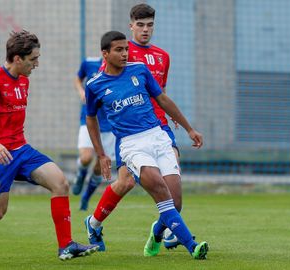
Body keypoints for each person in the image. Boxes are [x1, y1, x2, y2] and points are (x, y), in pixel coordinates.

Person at [0, 30, 98, 266]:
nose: (37, 64)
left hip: (21, 149)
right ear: (17, 58)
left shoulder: (24, 80)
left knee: (60, 183)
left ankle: (66, 246)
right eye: (33, 59)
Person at [85, 30, 208, 260]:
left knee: (176, 202)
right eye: (119, 50)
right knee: (156, 190)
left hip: (158, 136)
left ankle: (157, 231)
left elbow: (162, 99)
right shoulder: (95, 85)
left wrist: (189, 128)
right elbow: (90, 118)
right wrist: (101, 154)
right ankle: (193, 245)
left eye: (126, 49)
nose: (125, 54)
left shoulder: (139, 70)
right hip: (132, 145)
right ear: (105, 54)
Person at [72, 57, 115, 211]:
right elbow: (78, 79)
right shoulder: (89, 63)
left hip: (109, 126)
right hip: (89, 119)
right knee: (86, 157)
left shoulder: (121, 70)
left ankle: (86, 197)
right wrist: (81, 92)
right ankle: (80, 175)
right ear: (105, 51)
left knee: (100, 166)